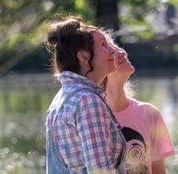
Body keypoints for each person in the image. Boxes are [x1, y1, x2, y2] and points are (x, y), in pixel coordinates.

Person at [45, 16, 126, 173]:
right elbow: (100, 170)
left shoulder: (62, 98)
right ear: (83, 57)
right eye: (103, 45)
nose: (112, 50)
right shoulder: (88, 101)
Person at [105, 40, 176, 174]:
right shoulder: (91, 118)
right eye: (112, 52)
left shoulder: (149, 113)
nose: (122, 52)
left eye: (117, 47)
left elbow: (159, 171)